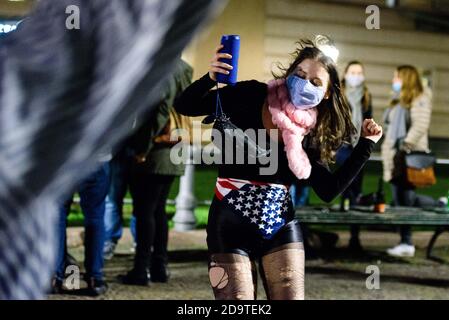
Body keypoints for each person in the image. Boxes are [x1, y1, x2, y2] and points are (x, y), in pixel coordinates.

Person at [0, 0, 221, 299]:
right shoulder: (177, 67)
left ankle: (66, 273)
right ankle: (118, 272)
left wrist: (140, 147)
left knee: (121, 213)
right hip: (139, 155)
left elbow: (157, 111)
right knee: (138, 213)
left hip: (149, 152)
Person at [175, 39, 383, 300]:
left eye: (316, 83)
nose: (305, 83)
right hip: (229, 226)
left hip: (280, 227)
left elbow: (329, 190)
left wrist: (366, 144)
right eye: (300, 74)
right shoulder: (249, 94)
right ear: (289, 73)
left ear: (327, 93)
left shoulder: (311, 133)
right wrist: (210, 77)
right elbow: (185, 106)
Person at [119, 59, 192, 285]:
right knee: (158, 211)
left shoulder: (165, 66)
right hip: (176, 147)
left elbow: (160, 108)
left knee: (145, 211)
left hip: (158, 149)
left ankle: (142, 269)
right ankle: (159, 267)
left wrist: (143, 147)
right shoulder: (183, 67)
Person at [381, 65, 433, 258]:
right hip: (396, 156)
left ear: (406, 78)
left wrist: (406, 146)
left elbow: (420, 125)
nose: (394, 80)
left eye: (397, 77)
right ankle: (440, 204)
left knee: (405, 200)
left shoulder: (419, 98)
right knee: (402, 198)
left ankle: (407, 242)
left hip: (407, 157)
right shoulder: (398, 100)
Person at [52, 159, 111, 296]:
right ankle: (94, 279)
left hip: (64, 160)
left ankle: (54, 277)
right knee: (95, 217)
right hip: (97, 159)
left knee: (57, 217)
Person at [337, 61, 373, 251]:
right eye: (353, 72)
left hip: (359, 145)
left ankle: (354, 236)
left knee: (356, 192)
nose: (356, 75)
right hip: (342, 146)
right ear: (346, 73)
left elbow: (369, 118)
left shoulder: (366, 96)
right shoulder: (339, 92)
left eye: (359, 72)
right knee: (343, 187)